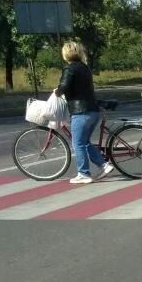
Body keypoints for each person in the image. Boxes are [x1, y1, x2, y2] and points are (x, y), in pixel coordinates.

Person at [54, 40, 110, 184]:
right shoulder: (85, 68)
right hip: (93, 110)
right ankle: (104, 165)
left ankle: (83, 173)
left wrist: (58, 91)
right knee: (85, 142)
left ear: (65, 54)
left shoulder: (70, 69)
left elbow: (65, 86)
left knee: (78, 143)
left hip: (81, 112)